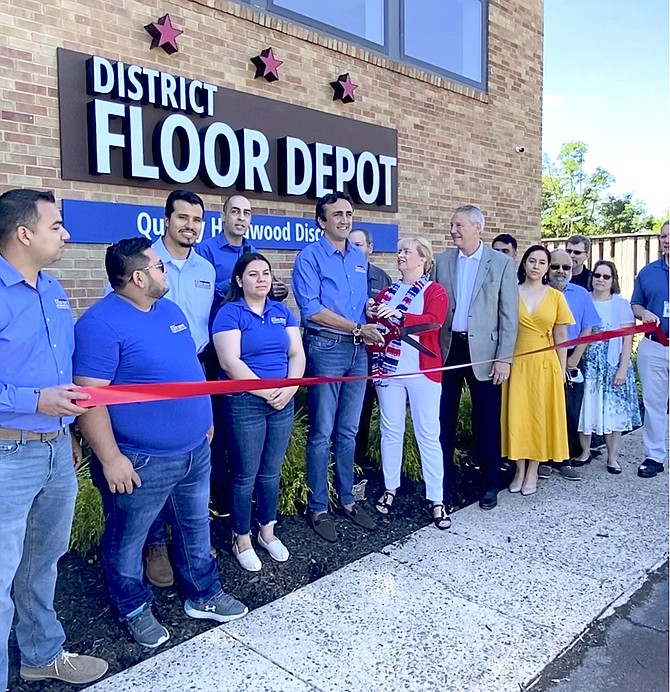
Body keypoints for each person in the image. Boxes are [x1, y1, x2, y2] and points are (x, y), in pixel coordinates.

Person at [73, 237, 247, 649]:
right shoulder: (99, 325)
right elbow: (88, 398)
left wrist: (203, 417)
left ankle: (203, 594)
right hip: (140, 458)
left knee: (194, 526)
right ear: (137, 277)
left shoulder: (169, 311)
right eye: (159, 266)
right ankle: (132, 606)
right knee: (128, 536)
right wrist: (111, 457)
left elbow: (188, 370)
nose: (165, 271)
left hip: (192, 452)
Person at [0, 189, 108, 688]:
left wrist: (65, 430)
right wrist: (34, 400)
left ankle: (41, 652)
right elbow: (37, 389)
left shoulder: (53, 289)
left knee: (43, 560)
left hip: (54, 449)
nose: (66, 235)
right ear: (24, 233)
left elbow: (61, 375)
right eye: (56, 226)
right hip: (7, 452)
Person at [292, 192, 384, 542]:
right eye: (337, 215)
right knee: (322, 432)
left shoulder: (358, 256)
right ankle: (318, 506)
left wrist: (370, 312)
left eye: (348, 214)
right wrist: (357, 327)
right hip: (327, 348)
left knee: (348, 431)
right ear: (321, 221)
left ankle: (347, 499)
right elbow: (312, 309)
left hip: (358, 350)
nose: (345, 220)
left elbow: (358, 306)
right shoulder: (310, 257)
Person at [213, 253, 305, 571]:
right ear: (239, 280)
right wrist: (267, 391)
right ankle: (242, 539)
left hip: (282, 401)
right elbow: (230, 362)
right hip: (245, 402)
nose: (262, 279)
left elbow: (296, 353)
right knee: (245, 474)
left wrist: (290, 388)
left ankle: (267, 531)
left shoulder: (282, 312)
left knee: (270, 472)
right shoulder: (229, 313)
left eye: (266, 273)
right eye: (253, 274)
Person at [143, 190, 215, 589]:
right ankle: (154, 545)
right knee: (155, 464)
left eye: (197, 220)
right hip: (153, 380)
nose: (190, 226)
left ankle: (192, 542)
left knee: (196, 456)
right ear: (166, 219)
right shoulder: (143, 263)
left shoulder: (205, 268)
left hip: (197, 370)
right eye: (183, 218)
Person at [433, 205, 518, 511]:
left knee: (487, 420)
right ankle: (442, 483)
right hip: (449, 349)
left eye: (458, 225)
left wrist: (504, 358)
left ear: (477, 228)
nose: (453, 229)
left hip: (486, 353)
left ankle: (491, 483)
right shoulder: (442, 261)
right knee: (443, 418)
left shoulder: (502, 263)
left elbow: (509, 316)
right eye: (452, 224)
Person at [368, 237, 449, 528]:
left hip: (422, 370)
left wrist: (400, 315)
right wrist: (373, 313)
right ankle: (390, 487)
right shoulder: (387, 291)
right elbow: (374, 321)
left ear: (423, 259)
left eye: (406, 251)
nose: (400, 255)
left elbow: (433, 321)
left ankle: (436, 497)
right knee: (391, 429)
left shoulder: (434, 290)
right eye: (399, 250)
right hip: (388, 368)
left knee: (428, 432)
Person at [501, 245, 574, 495]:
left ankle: (533, 470)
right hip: (517, 361)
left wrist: (561, 369)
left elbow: (561, 335)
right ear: (524, 264)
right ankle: (519, 469)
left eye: (542, 262)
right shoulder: (511, 292)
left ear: (547, 268)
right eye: (531, 261)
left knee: (539, 417)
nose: (536, 266)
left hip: (545, 364)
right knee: (518, 415)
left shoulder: (555, 297)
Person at [577, 261, 641, 473]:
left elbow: (627, 339)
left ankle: (612, 458)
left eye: (606, 277)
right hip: (588, 364)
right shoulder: (584, 299)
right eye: (597, 275)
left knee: (613, 413)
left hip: (612, 364)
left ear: (613, 280)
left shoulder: (620, 304)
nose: (600, 280)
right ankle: (585, 452)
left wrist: (622, 368)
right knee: (586, 408)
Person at [542, 249, 600, 480]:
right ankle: (543, 459)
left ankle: (563, 459)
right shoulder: (539, 292)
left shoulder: (582, 294)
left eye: (566, 267)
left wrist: (574, 359)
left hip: (573, 357)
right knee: (545, 409)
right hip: (543, 357)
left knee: (569, 410)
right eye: (555, 266)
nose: (560, 271)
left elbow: (588, 327)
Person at [348, 227, 392, 469]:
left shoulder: (382, 278)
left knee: (366, 409)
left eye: (358, 245)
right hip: (347, 352)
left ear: (370, 248)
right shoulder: (342, 274)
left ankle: (360, 459)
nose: (354, 249)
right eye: (350, 244)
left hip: (374, 356)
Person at [631, 221, 669, 479]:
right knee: (654, 403)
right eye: (663, 236)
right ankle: (655, 456)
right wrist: (644, 313)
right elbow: (635, 304)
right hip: (655, 347)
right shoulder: (648, 272)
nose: (666, 240)